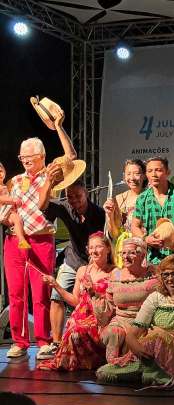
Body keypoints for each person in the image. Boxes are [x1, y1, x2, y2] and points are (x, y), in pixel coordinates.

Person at [4, 109, 77, 360]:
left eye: (30, 156)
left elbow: (71, 156)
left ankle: (44, 341)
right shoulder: (15, 181)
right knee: (16, 293)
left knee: (42, 292)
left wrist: (58, 126)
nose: (25, 160)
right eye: (22, 157)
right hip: (14, 240)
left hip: (41, 239)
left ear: (42, 156)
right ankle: (19, 342)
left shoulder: (51, 174)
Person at [96, 255, 174, 386]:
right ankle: (149, 369)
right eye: (166, 274)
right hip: (156, 349)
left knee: (157, 334)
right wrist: (137, 348)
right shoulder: (155, 297)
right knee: (105, 372)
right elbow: (132, 335)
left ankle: (157, 372)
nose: (170, 278)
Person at [38, 179, 105, 359]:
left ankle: (96, 344)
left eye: (78, 196)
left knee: (93, 302)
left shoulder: (99, 213)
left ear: (86, 194)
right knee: (56, 295)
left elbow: (104, 241)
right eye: (70, 196)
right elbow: (42, 205)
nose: (74, 200)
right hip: (72, 259)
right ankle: (56, 343)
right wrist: (49, 182)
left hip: (92, 262)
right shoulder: (65, 207)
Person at [38, 233, 114, 371]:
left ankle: (90, 360)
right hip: (81, 315)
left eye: (98, 247)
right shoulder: (82, 270)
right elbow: (75, 301)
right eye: (91, 247)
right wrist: (56, 285)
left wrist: (94, 292)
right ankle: (76, 362)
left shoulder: (115, 272)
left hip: (101, 316)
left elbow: (116, 301)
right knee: (73, 325)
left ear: (108, 248)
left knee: (77, 329)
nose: (94, 251)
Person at [131, 157, 174, 266]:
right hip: (154, 261)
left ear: (168, 172)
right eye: (150, 171)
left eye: (158, 170)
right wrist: (145, 239)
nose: (153, 174)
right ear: (146, 174)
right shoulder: (142, 198)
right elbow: (134, 226)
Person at [100, 237, 157, 364]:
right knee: (112, 333)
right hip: (121, 320)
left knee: (150, 341)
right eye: (123, 253)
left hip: (146, 321)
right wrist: (94, 295)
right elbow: (109, 303)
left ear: (142, 255)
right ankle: (114, 365)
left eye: (131, 253)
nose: (126, 257)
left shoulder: (153, 273)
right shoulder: (116, 274)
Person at [103, 159, 147, 267]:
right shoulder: (119, 199)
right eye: (128, 174)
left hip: (144, 248)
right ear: (124, 177)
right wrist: (110, 215)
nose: (132, 178)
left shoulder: (150, 196)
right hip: (124, 250)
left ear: (144, 176)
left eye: (136, 173)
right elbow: (115, 234)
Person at [0, 162, 30, 250]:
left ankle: (20, 238)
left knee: (18, 221)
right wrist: (12, 200)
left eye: (0, 171)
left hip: (10, 212)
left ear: (4, 172)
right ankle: (21, 240)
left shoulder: (6, 185)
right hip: (3, 213)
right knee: (17, 219)